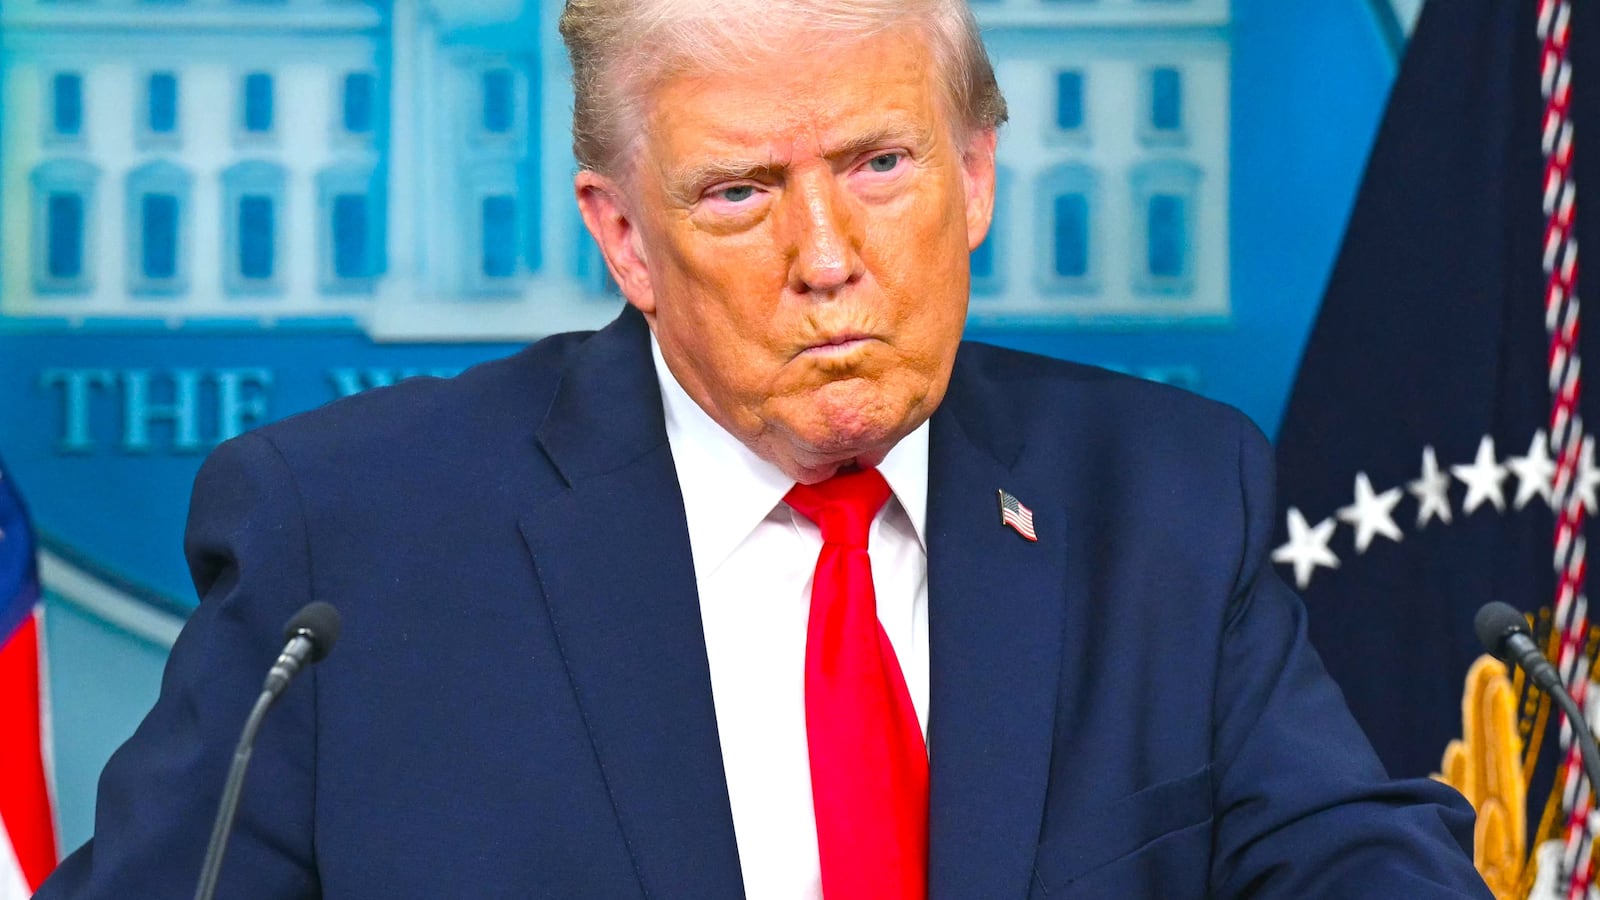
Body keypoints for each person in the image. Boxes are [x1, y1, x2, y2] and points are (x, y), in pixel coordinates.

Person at [36, 1, 1492, 897]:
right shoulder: (347, 542)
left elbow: (1346, 858)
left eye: (879, 166)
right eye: (738, 192)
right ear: (625, 238)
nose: (826, 257)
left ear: (974, 173)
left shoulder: (1169, 496)